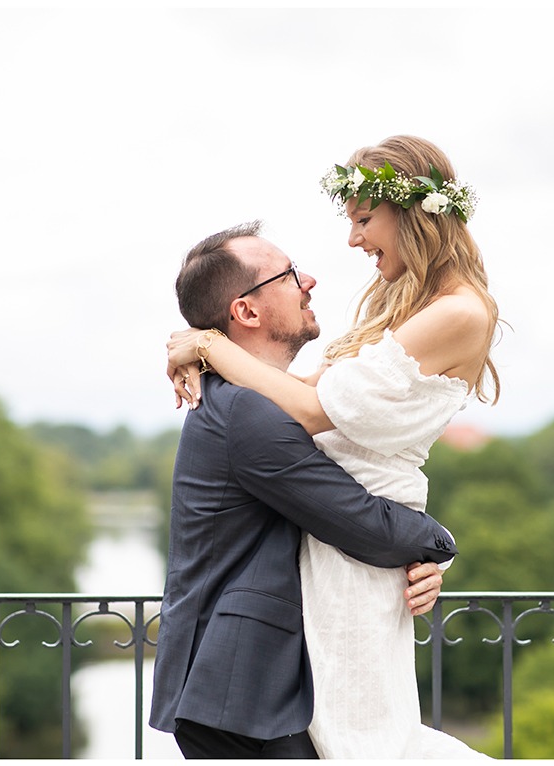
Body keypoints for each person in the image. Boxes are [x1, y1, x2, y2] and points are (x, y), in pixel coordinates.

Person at [166, 135, 501, 758]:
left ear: (412, 214)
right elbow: (309, 397)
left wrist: (211, 347)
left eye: (363, 219)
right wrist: (208, 346)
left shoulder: (458, 312)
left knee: (360, 734)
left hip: (358, 548)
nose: (353, 240)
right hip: (347, 542)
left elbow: (316, 411)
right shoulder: (405, 307)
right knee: (346, 731)